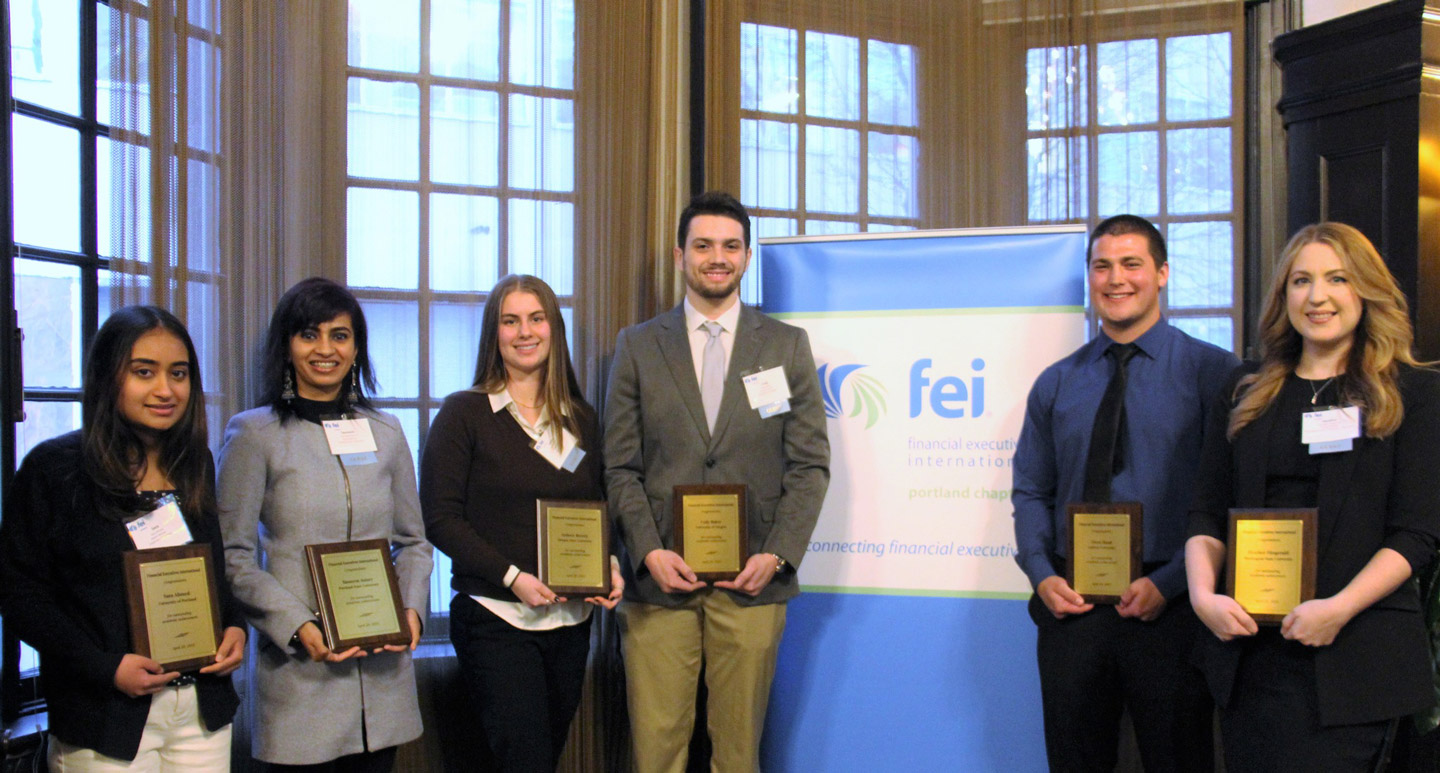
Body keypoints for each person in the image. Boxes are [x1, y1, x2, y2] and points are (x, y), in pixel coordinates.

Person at [1185, 222, 1440, 770]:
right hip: (1249, 658)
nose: (1317, 296)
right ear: (1284, 296)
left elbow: (1417, 534)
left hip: (1354, 658)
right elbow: (1205, 511)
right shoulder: (1243, 389)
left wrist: (1337, 609)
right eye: (1301, 281)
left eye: (1337, 279)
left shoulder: (1414, 393)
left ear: (1365, 291)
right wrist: (1204, 597)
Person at [603, 190, 830, 772]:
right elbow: (620, 467)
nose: (717, 257)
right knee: (657, 752)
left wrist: (778, 554)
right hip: (660, 587)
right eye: (703, 245)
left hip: (752, 582)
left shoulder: (786, 345)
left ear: (747, 257)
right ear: (680, 255)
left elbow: (809, 466)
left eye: (730, 246)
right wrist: (647, 551)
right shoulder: (636, 346)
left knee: (738, 755)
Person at [1011, 214, 1236, 771]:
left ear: (1162, 273)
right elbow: (1031, 490)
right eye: (1101, 266)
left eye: (1132, 264)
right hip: (1072, 608)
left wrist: (1170, 584)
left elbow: (1231, 498)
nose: (1116, 278)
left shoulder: (1215, 374)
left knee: (1178, 760)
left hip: (1174, 609)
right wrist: (1043, 576)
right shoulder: (1057, 381)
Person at [0, 305, 246, 770]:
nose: (165, 389)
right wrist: (104, 667)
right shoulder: (55, 469)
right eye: (143, 372)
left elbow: (212, 570)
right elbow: (20, 596)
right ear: (107, 376)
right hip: (104, 716)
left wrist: (235, 626)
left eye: (179, 373)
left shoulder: (194, 464)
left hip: (202, 712)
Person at [218, 277, 432, 772]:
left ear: (357, 348)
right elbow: (233, 555)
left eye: (340, 335)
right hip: (301, 677)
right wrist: (295, 626)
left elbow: (414, 542)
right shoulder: (254, 434)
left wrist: (413, 611)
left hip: (382, 685)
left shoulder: (386, 431)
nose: (325, 349)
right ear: (286, 345)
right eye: (308, 334)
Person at [420, 274, 623, 772]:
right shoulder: (464, 414)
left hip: (571, 622)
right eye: (510, 321)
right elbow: (441, 519)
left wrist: (610, 566)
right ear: (495, 333)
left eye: (536, 318)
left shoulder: (580, 418)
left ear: (554, 329)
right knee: (524, 761)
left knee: (545, 758)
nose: (524, 331)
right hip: (497, 617)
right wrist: (514, 578)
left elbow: (598, 507)